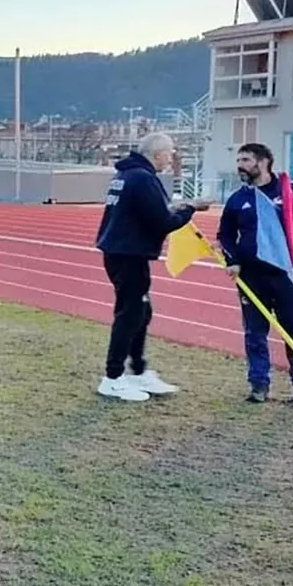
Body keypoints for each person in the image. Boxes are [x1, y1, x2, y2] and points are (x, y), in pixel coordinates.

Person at [92, 132, 205, 402]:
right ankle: (113, 377)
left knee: (142, 311)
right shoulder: (142, 177)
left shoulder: (127, 175)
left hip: (123, 251)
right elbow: (163, 222)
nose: (171, 158)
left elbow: (149, 211)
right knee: (130, 313)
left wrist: (175, 208)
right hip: (128, 253)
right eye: (170, 153)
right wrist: (191, 208)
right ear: (157, 154)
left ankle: (137, 370)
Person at [216, 142, 293, 408]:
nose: (240, 165)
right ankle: (259, 385)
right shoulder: (238, 199)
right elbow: (225, 235)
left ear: (263, 162)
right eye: (239, 159)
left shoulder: (290, 192)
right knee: (255, 333)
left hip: (288, 275)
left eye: (245, 159)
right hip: (252, 277)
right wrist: (232, 260)